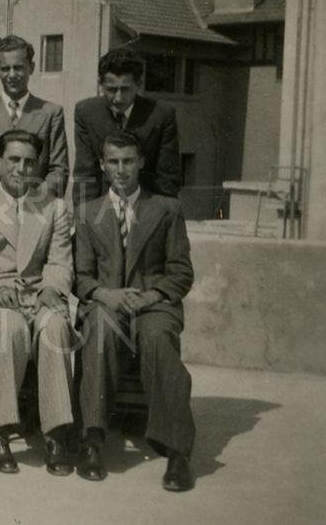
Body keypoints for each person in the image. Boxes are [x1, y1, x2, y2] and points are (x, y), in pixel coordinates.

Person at [73, 132, 196, 491]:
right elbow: (80, 276)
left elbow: (181, 272)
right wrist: (105, 294)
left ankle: (177, 452)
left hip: (154, 304)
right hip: (107, 302)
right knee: (98, 330)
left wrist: (150, 296)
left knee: (157, 338)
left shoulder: (166, 208)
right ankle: (93, 438)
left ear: (141, 162)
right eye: (113, 162)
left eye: (128, 161)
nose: (121, 170)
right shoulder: (87, 213)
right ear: (102, 165)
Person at [0, 129, 75, 476]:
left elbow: (60, 262)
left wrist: (52, 288)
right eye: (13, 160)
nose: (21, 169)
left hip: (40, 293)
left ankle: (55, 433)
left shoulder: (52, 207)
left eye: (28, 162)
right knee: (9, 327)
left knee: (55, 326)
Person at [72, 48, 180, 205]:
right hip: (102, 210)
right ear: (100, 84)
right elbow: (85, 174)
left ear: (139, 85)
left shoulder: (162, 115)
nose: (118, 98)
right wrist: (84, 219)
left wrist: (156, 220)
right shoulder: (86, 112)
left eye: (125, 89)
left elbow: (167, 179)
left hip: (146, 208)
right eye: (111, 89)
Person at [0, 35, 68, 197]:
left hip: (35, 208)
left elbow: (58, 169)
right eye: (5, 69)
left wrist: (37, 199)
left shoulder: (51, 112)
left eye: (18, 68)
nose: (12, 75)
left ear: (31, 68)